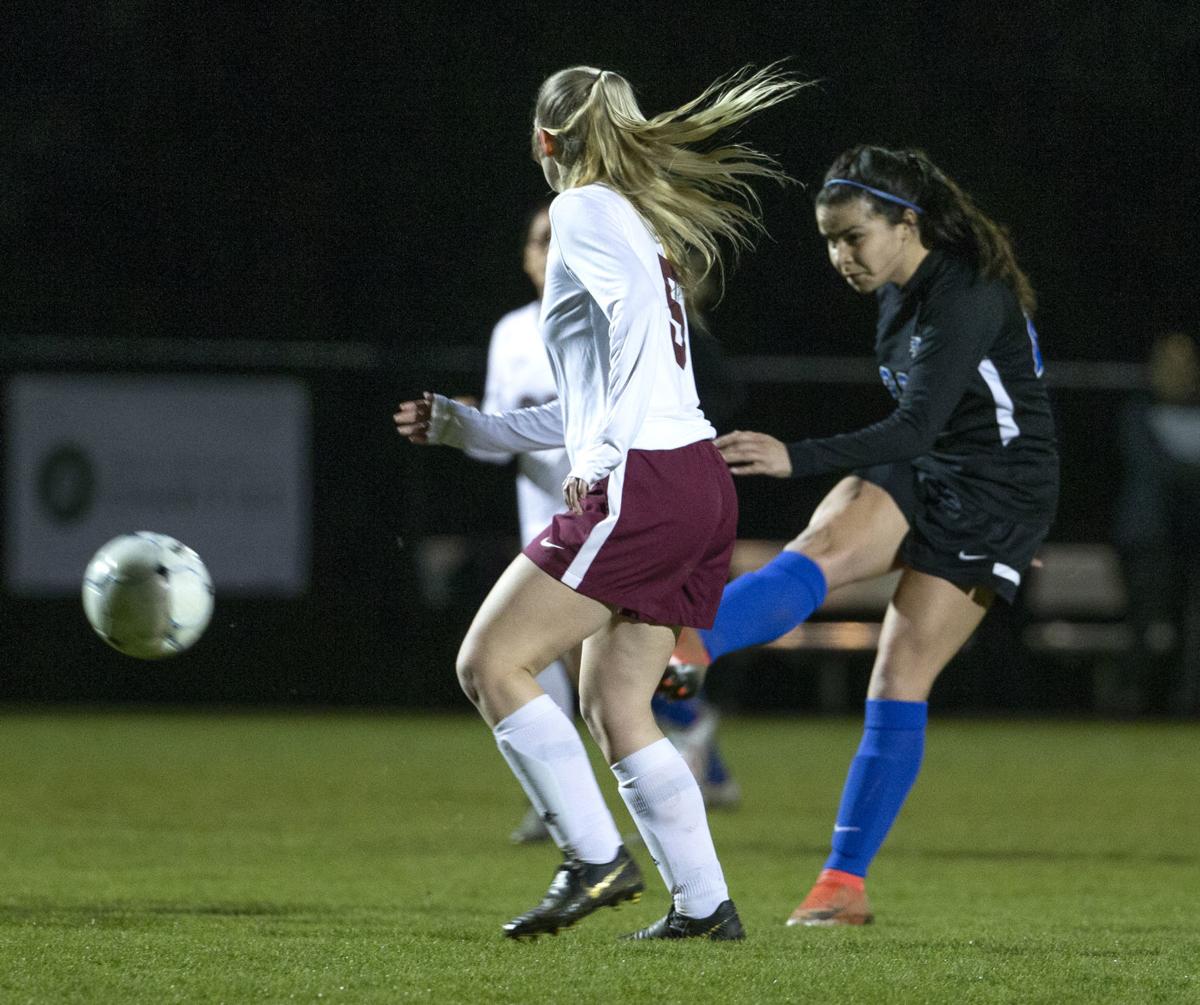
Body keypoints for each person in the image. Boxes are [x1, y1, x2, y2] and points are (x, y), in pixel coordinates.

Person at [395, 64, 806, 940]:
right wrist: (468, 429)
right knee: (616, 706)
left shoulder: (581, 211)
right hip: (694, 479)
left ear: (544, 141)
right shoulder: (637, 223)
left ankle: (592, 856)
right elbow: (593, 393)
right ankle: (705, 906)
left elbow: (618, 355)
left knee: (489, 662)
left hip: (647, 478)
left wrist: (604, 457)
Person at [663, 145, 1059, 925]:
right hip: (930, 463)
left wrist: (794, 456)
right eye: (829, 242)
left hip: (995, 493)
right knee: (818, 552)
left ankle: (842, 884)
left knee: (896, 677)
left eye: (853, 236)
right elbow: (919, 434)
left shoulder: (965, 293)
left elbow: (914, 424)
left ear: (906, 223)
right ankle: (685, 649)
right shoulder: (896, 293)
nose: (841, 256)